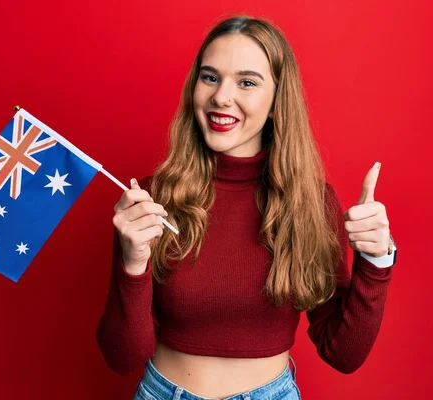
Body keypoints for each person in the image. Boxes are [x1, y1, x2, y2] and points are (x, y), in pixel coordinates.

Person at [97, 15, 397, 400]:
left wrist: (376, 261)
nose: (222, 96)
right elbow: (122, 357)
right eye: (210, 77)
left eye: (247, 82)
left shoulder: (311, 202)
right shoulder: (150, 200)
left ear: (276, 101)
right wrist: (132, 264)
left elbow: (343, 352)